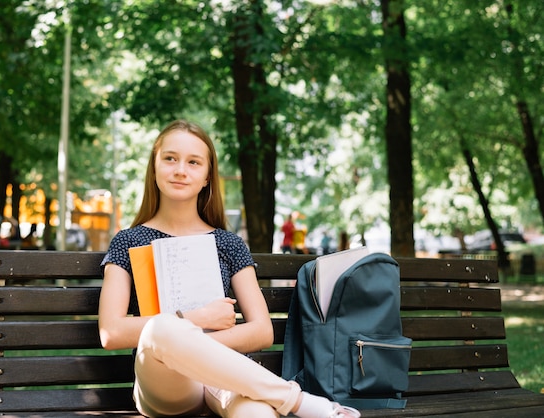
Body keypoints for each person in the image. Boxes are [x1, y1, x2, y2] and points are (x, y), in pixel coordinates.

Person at [98, 120, 359, 418]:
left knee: (258, 415)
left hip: (222, 379)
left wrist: (190, 346)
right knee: (162, 327)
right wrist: (196, 319)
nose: (181, 169)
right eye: (170, 158)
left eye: (194, 162)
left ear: (208, 176)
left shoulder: (228, 243)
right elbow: (111, 332)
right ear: (154, 167)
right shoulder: (128, 241)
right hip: (165, 383)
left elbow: (262, 331)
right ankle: (299, 402)